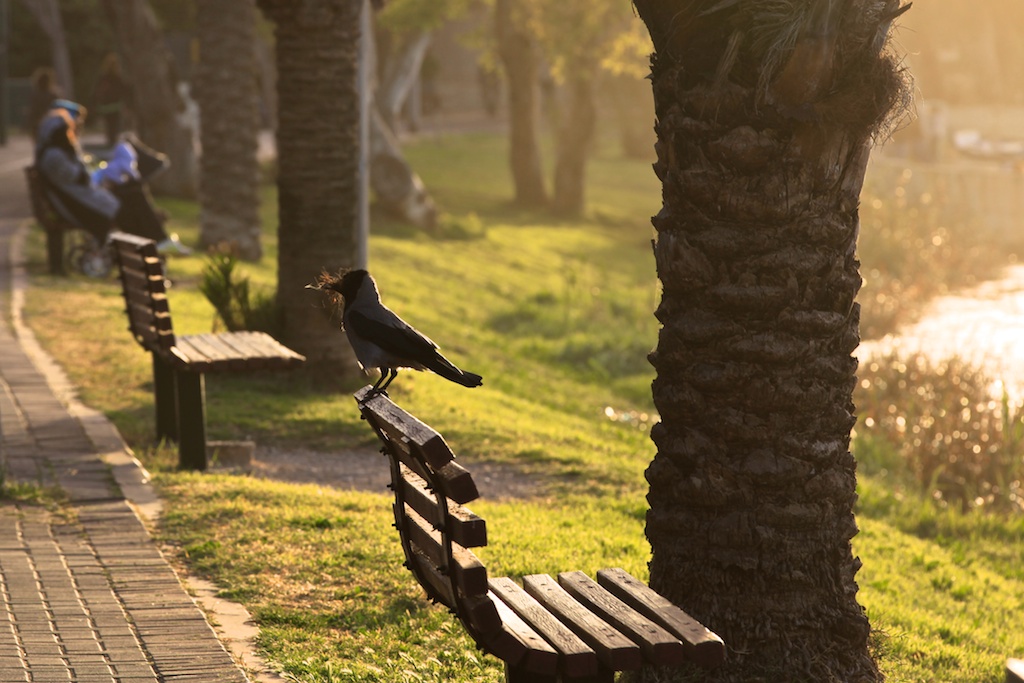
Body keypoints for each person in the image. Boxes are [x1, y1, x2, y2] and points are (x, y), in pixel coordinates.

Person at [34, 100, 191, 255]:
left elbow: (79, 178)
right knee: (133, 195)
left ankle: (158, 239)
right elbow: (81, 178)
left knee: (133, 192)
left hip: (84, 200)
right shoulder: (54, 156)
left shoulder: (53, 154)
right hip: (82, 205)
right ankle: (157, 240)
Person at [92, 53, 130, 147]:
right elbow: (124, 91)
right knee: (114, 126)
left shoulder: (103, 78)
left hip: (106, 107)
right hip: (115, 106)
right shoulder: (117, 77)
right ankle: (113, 141)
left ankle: (111, 141)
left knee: (110, 126)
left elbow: (96, 92)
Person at [26, 67, 61, 139]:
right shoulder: (54, 94)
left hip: (38, 122)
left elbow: (32, 109)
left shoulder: (35, 94)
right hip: (51, 122)